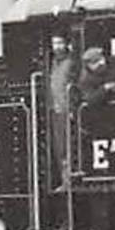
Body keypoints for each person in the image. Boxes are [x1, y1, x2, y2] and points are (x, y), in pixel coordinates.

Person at [47, 35, 76, 191]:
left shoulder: (70, 63)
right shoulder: (52, 64)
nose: (56, 47)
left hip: (66, 109)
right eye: (54, 43)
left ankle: (69, 180)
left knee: (67, 146)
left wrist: (71, 108)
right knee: (59, 148)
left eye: (59, 43)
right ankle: (64, 179)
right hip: (55, 109)